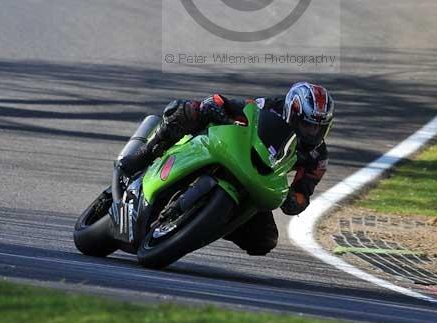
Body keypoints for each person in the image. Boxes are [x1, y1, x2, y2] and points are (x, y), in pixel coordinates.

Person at [117, 82, 334, 256]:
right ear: (293, 113)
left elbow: (303, 192)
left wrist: (294, 200)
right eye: (308, 125)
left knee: (264, 241)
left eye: (318, 127)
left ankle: (209, 223)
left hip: (258, 181)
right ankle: (146, 152)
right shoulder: (272, 106)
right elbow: (236, 105)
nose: (312, 132)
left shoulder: (317, 157)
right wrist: (217, 106)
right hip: (234, 150)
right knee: (190, 110)